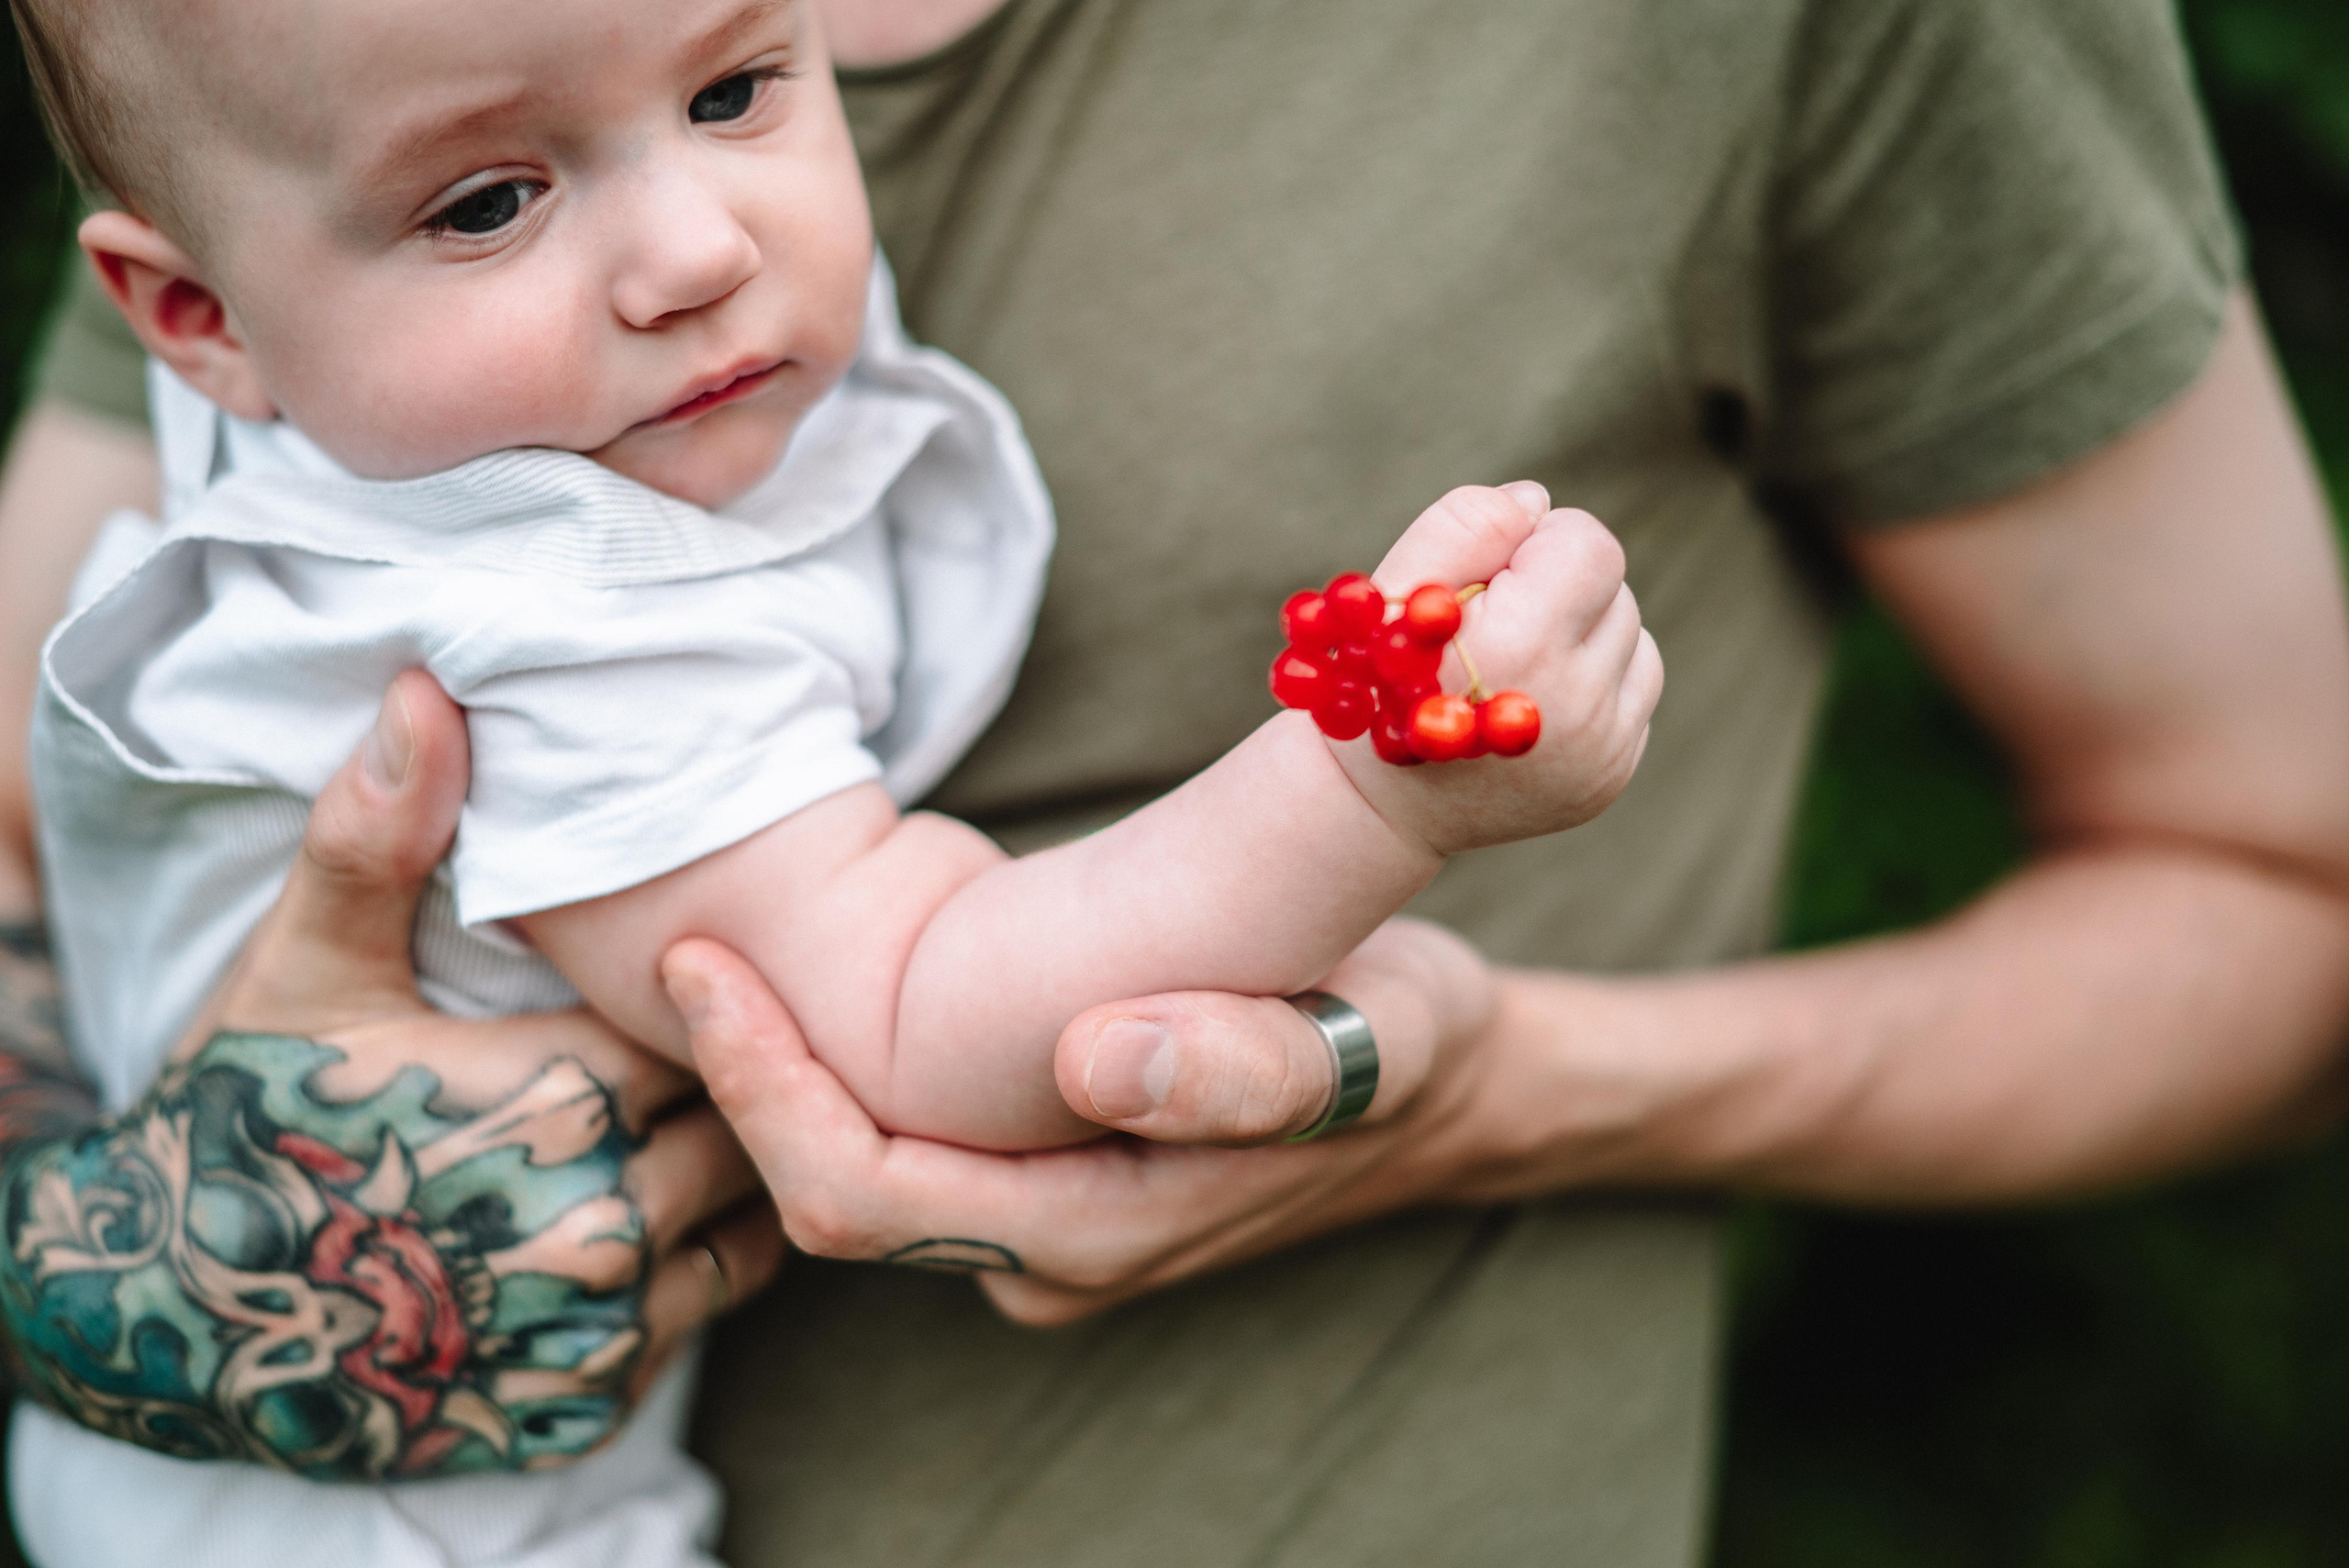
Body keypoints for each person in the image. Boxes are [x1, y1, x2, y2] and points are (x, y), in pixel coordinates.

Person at [5, 1, 2347, 1565]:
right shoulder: (510, 561)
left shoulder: (381, 245)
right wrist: (1370, 788)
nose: (697, 244)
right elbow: (921, 1019)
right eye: (493, 203)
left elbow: (2288, 885)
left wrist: (1531, 1082)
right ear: (194, 320)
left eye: (740, 94)